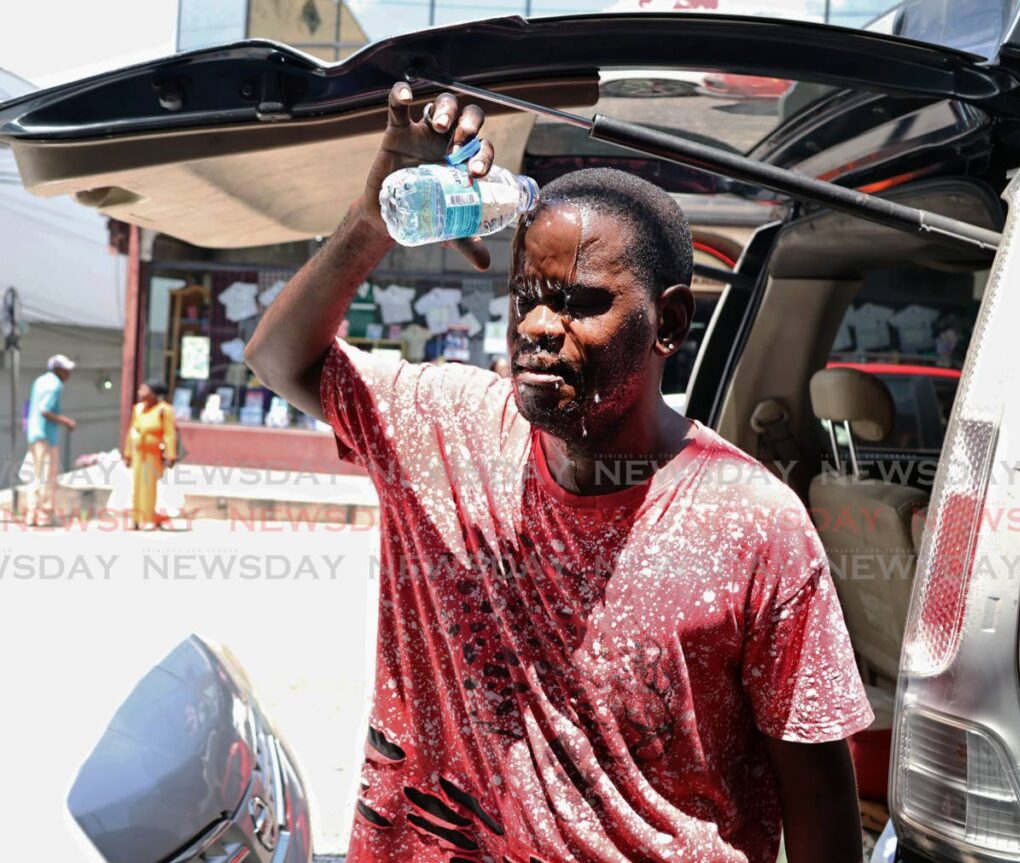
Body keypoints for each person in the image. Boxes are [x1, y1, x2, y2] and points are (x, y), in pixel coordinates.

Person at [245, 83, 872, 863]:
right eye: (528, 298)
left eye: (579, 302)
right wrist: (375, 217)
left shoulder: (755, 524)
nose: (540, 328)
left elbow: (823, 821)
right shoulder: (444, 426)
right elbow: (278, 358)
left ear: (669, 323)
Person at [25, 354, 76, 527]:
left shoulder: (39, 381)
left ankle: (31, 514)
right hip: (46, 436)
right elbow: (44, 410)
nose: (69, 374)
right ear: (57, 369)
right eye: (66, 370)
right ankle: (44, 516)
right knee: (47, 476)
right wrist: (66, 421)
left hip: (33, 434)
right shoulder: (55, 385)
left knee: (35, 475)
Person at [122, 379, 177, 530]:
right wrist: (127, 454)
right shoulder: (138, 409)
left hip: (154, 453)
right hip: (139, 452)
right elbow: (132, 431)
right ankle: (136, 517)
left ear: (154, 393)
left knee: (149, 486)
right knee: (137, 485)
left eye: (144, 389)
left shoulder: (164, 409)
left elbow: (169, 434)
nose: (140, 392)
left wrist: (170, 454)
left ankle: (149, 517)